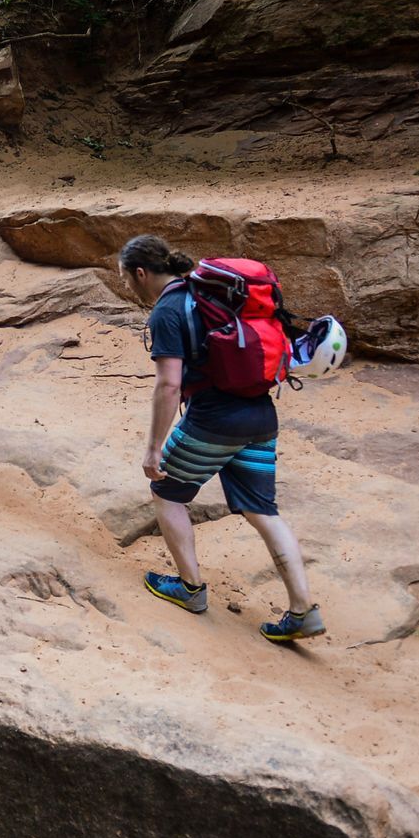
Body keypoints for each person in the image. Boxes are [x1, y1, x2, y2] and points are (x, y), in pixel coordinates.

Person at [118, 234, 325, 643]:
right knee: (264, 510)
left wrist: (154, 447)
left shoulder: (169, 310)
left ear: (141, 273)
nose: (127, 285)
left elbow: (168, 386)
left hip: (213, 419)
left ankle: (190, 587)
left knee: (167, 492)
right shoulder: (213, 294)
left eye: (126, 278)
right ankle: (303, 610)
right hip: (260, 414)